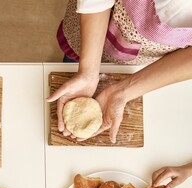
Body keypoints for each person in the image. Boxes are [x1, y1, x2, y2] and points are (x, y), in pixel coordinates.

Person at [47, 0, 192, 142]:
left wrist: (123, 92)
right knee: (69, 68)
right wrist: (87, 72)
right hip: (91, 30)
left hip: (143, 62)